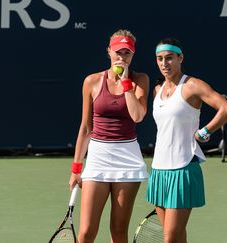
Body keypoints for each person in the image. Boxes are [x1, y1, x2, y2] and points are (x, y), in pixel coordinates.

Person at [146, 38, 227, 243]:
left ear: (180, 58)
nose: (164, 63)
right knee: (177, 237)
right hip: (159, 170)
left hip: (183, 167)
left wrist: (205, 132)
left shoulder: (193, 85)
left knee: (169, 238)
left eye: (169, 58)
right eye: (159, 59)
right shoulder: (157, 90)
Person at [69, 29, 149, 243]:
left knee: (118, 231)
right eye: (117, 52)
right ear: (108, 52)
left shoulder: (140, 80)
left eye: (127, 53)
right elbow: (86, 128)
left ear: (133, 55)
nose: (122, 57)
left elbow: (138, 115)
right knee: (86, 232)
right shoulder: (92, 81)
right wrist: (76, 169)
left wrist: (125, 84)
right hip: (98, 158)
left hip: (128, 160)